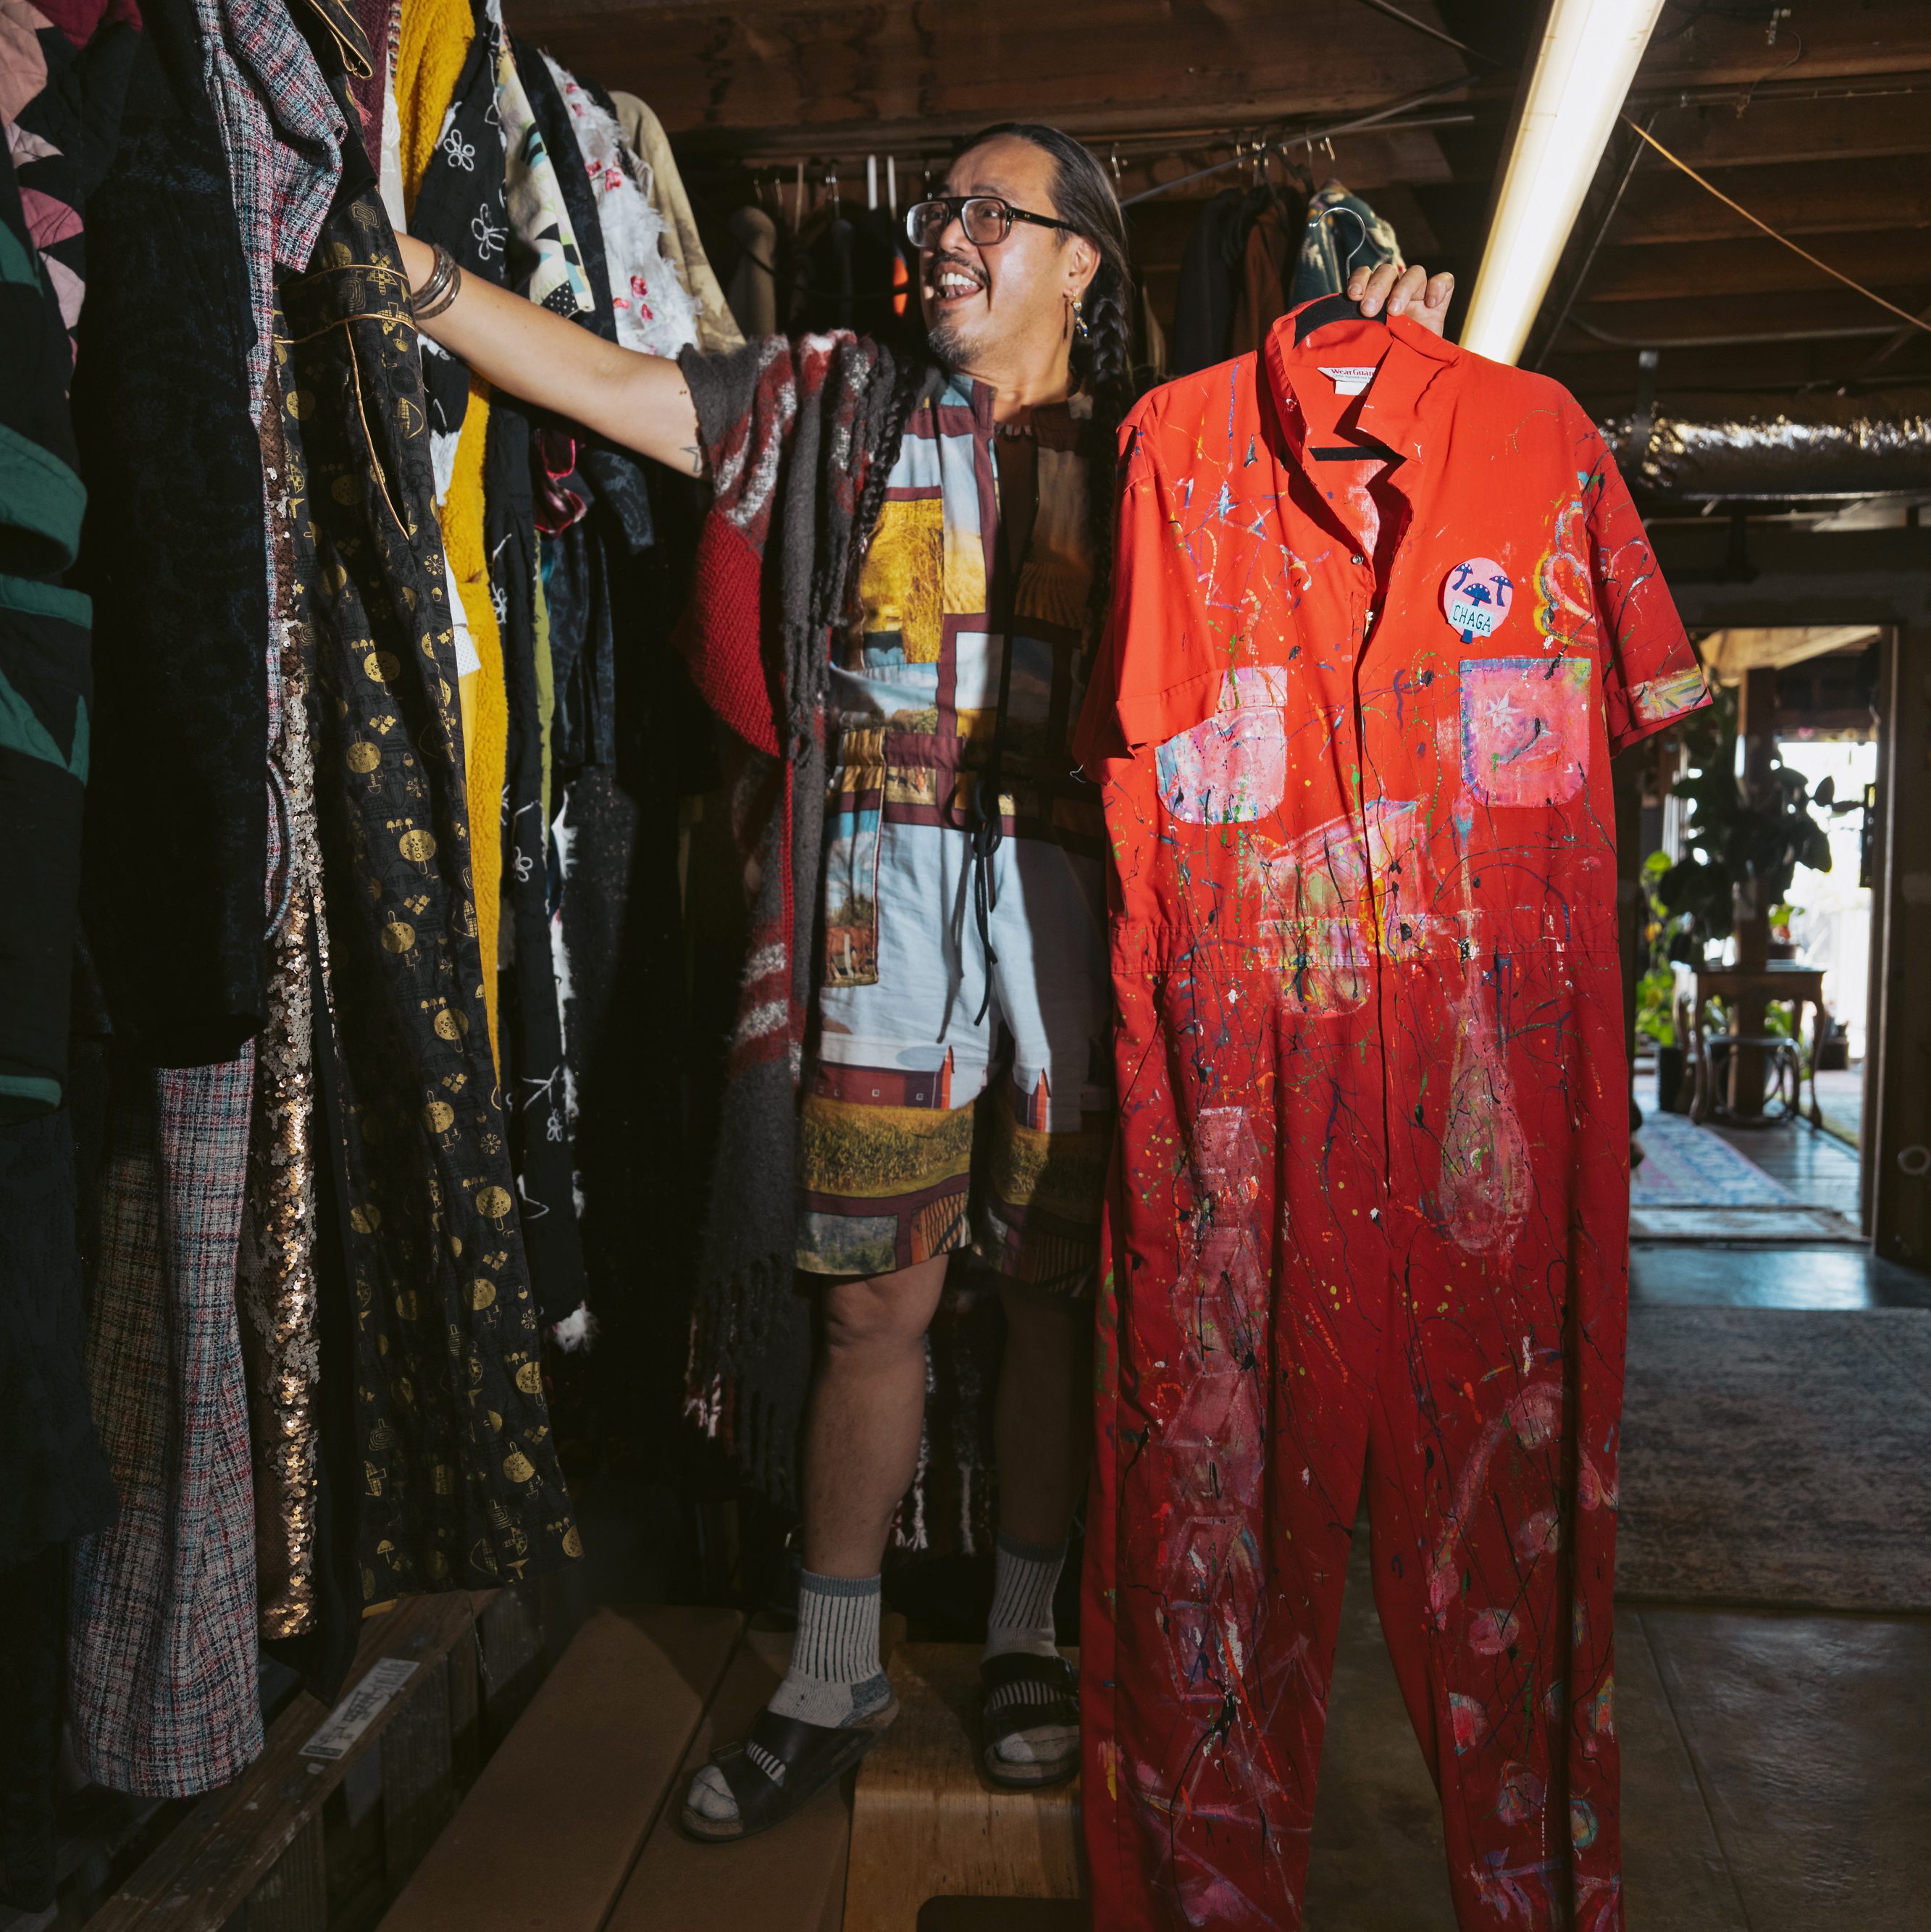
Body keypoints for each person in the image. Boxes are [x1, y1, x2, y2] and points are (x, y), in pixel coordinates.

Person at [397, 122, 1454, 1841]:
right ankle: (831, 1669)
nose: (941, 234)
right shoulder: (832, 398)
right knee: (867, 1299)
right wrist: (425, 283)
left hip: (1078, 909)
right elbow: (621, 389)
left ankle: (1029, 1638)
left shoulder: (1168, 443)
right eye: (936, 206)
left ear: (1082, 259)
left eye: (987, 210)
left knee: (1050, 1289)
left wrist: (1389, 342)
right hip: (876, 908)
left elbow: (1355, 497)